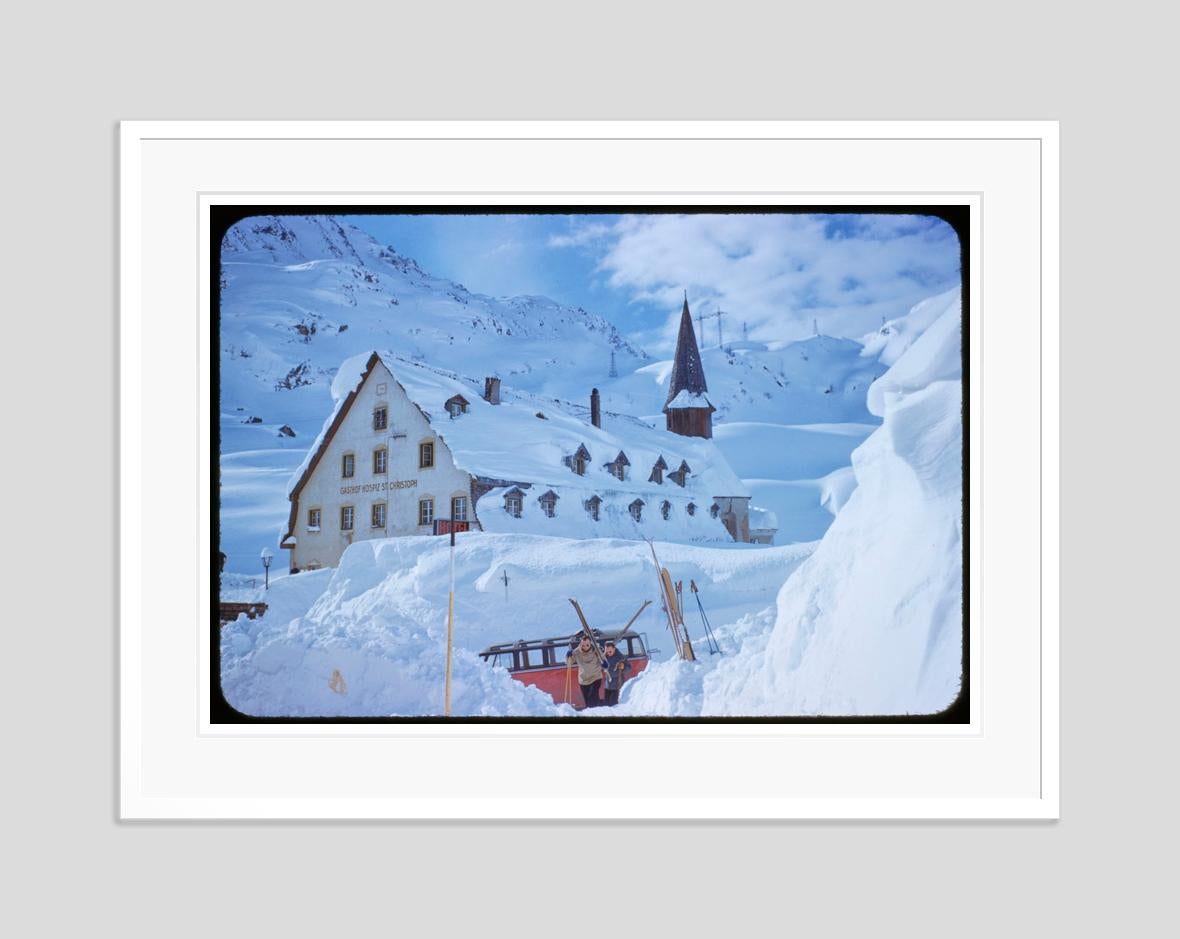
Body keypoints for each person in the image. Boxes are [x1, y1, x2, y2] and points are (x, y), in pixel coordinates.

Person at [566, 634, 604, 708]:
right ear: (580, 644)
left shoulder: (596, 650)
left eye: (587, 645)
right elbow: (569, 663)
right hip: (583, 680)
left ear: (590, 644)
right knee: (587, 702)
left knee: (592, 697)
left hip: (595, 677)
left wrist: (605, 664)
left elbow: (603, 659)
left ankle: (597, 712)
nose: (585, 647)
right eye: (583, 645)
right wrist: (568, 656)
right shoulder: (576, 652)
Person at [600, 639, 629, 706]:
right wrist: (601, 666)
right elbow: (599, 668)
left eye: (610, 651)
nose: (608, 653)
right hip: (608, 686)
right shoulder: (604, 657)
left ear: (614, 649)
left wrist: (623, 667)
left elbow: (629, 668)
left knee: (614, 706)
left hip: (617, 686)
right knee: (607, 706)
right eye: (607, 652)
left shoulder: (620, 657)